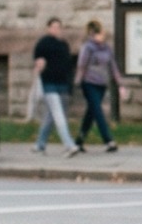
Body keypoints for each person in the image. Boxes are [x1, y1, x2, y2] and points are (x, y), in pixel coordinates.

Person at [32, 18, 81, 156]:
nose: (56, 29)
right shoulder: (43, 44)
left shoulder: (64, 44)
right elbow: (38, 61)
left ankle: (40, 144)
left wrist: (69, 86)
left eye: (58, 27)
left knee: (51, 116)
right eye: (53, 27)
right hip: (49, 84)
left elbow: (68, 66)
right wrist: (39, 66)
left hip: (62, 84)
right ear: (48, 28)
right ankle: (69, 144)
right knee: (58, 114)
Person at [76, 18, 119, 152]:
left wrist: (120, 84)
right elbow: (82, 65)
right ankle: (108, 140)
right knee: (98, 111)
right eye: (100, 34)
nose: (103, 36)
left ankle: (79, 140)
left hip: (101, 84)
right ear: (93, 34)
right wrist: (78, 81)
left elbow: (113, 66)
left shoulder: (106, 48)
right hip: (89, 83)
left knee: (91, 112)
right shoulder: (88, 48)